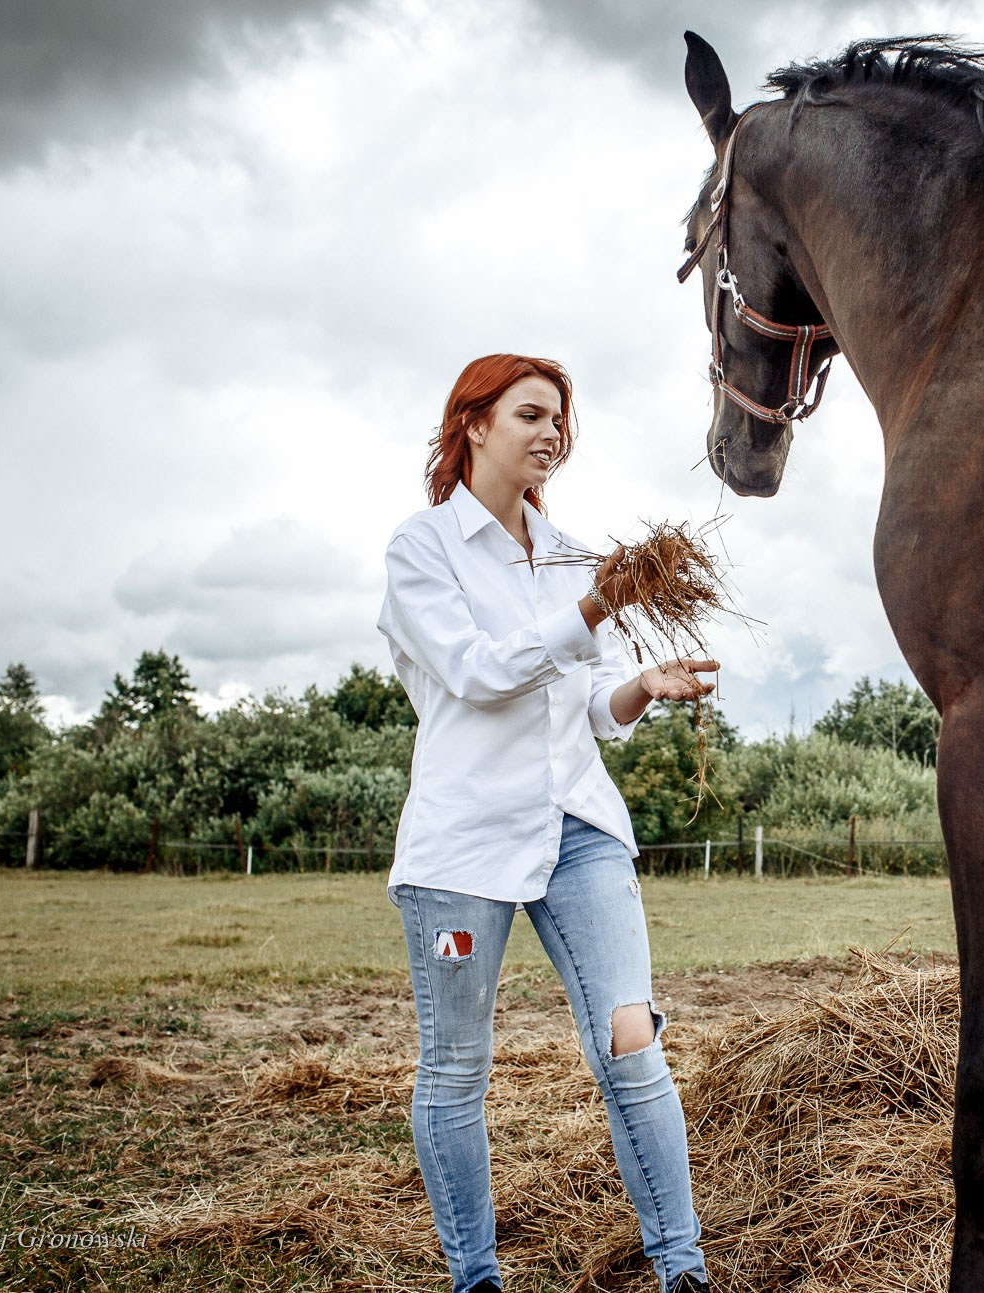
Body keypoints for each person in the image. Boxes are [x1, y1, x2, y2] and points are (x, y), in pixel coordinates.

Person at [377, 353, 718, 1293]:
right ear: (474, 424)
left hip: (578, 825)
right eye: (530, 413)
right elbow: (482, 675)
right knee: (456, 1069)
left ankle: (681, 1268)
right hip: (464, 842)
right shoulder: (422, 549)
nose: (551, 432)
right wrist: (599, 603)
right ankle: (477, 1275)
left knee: (632, 1039)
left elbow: (579, 706)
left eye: (560, 420)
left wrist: (639, 687)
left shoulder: (568, 551)